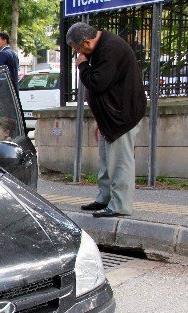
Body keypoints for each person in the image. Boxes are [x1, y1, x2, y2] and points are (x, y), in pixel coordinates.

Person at [67, 22, 146, 218]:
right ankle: (105, 198)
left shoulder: (110, 49)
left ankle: (119, 205)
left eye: (77, 49)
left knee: (120, 162)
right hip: (111, 116)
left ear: (86, 42)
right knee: (106, 159)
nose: (78, 55)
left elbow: (98, 82)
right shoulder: (102, 47)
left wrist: (83, 66)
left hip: (121, 116)